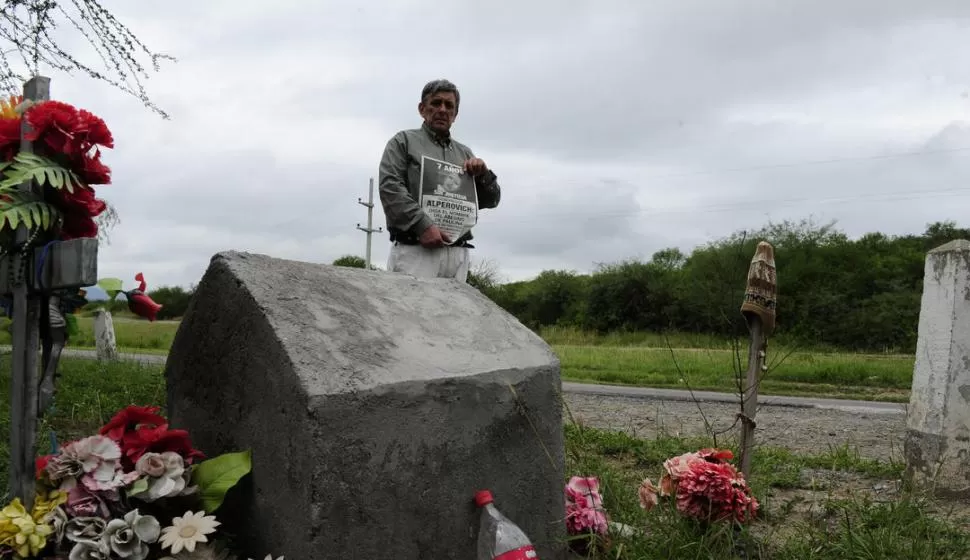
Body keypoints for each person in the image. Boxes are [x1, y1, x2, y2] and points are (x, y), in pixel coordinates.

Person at [378, 79, 501, 283]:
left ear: (455, 114)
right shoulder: (403, 142)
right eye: (436, 103)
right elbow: (390, 188)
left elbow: (491, 201)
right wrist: (422, 225)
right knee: (409, 313)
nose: (442, 109)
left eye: (449, 105)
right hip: (416, 250)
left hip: (458, 253)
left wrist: (483, 176)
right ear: (422, 108)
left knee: (454, 315)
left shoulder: (465, 153)